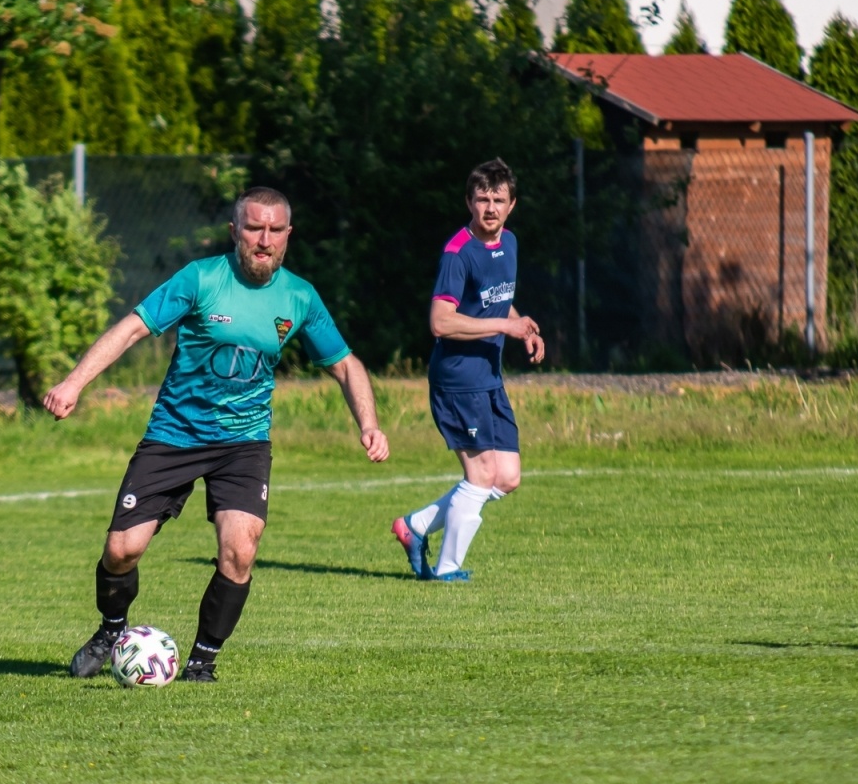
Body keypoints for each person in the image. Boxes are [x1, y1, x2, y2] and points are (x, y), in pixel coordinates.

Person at [45, 187, 389, 682]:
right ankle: (111, 629)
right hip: (175, 434)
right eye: (254, 229)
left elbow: (346, 365)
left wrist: (369, 424)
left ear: (288, 235)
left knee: (241, 547)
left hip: (244, 444)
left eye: (274, 231)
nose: (263, 240)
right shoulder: (202, 278)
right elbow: (133, 328)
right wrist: (74, 382)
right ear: (235, 232)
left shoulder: (299, 297)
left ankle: (202, 662)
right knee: (122, 550)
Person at [391, 159, 543, 582]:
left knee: (507, 476)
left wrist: (520, 325)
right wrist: (502, 325)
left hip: (488, 377)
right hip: (458, 380)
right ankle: (446, 570)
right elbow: (441, 321)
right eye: (482, 199)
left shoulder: (508, 243)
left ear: (511, 205)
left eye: (498, 200)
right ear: (469, 202)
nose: (490, 208)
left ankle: (416, 526)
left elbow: (495, 300)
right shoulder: (458, 253)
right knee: (480, 475)